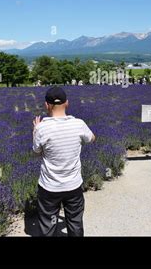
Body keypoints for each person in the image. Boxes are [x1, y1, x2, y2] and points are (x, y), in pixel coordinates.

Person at [32, 86, 96, 236]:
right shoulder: (79, 124)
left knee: (47, 226)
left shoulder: (42, 128)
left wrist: (35, 131)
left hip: (49, 187)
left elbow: (36, 153)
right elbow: (92, 139)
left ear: (46, 105)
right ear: (67, 103)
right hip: (73, 186)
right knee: (75, 223)